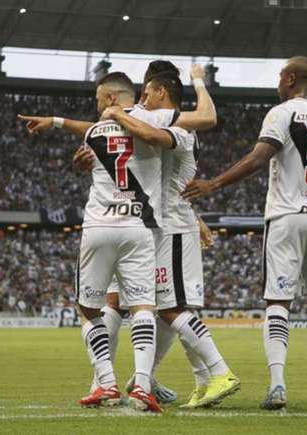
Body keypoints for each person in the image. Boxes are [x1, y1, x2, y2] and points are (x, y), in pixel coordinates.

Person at [184, 56, 307, 410]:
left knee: (278, 302)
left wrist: (214, 183)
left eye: (280, 76)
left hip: (286, 217)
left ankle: (278, 385)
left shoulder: (282, 114)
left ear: (291, 78)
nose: (277, 82)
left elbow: (259, 158)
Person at [101, 70, 240, 409]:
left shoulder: (179, 129)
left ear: (161, 92)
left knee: (172, 308)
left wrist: (117, 112)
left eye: (147, 92)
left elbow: (151, 136)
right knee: (168, 307)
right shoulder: (167, 126)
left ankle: (219, 373)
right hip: (168, 226)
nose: (143, 100)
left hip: (175, 230)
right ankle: (197, 382)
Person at [70, 72, 191, 413]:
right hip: (140, 226)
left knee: (89, 309)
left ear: (110, 99)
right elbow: (176, 132)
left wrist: (74, 161)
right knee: (142, 308)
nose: (95, 107)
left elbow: (85, 162)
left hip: (99, 226)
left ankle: (106, 382)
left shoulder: (94, 132)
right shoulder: (151, 125)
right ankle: (141, 384)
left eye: (98, 100)